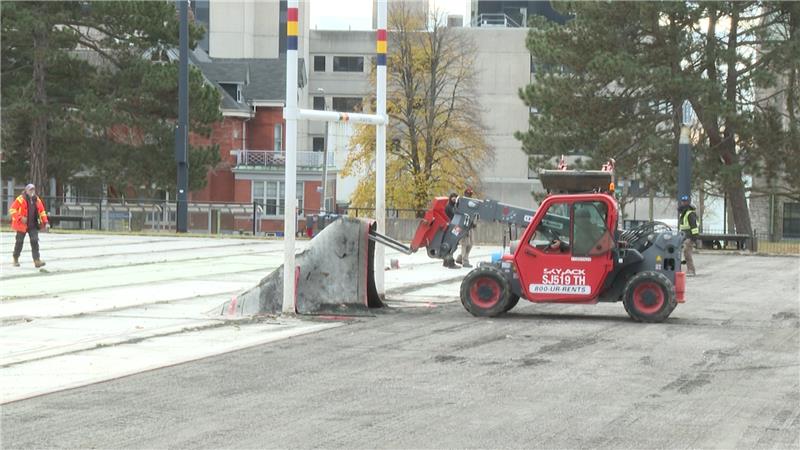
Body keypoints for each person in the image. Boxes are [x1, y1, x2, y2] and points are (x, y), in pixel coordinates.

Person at [9, 184, 49, 268]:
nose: (32, 191)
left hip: (33, 225)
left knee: (35, 241)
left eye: (33, 189)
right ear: (26, 191)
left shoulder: (37, 200)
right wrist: (20, 218)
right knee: (19, 242)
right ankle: (15, 258)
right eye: (30, 190)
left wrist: (45, 222)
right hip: (21, 225)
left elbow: (42, 212)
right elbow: (12, 210)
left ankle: (37, 261)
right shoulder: (20, 199)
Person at [678, 195, 699, 276]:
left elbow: (694, 226)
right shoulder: (684, 213)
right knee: (686, 253)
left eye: (685, 201)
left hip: (689, 237)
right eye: (683, 201)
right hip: (685, 237)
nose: (683, 203)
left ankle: (691, 270)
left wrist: (694, 238)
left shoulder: (689, 213)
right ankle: (689, 269)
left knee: (687, 253)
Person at [455, 187, 475, 268]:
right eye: (467, 193)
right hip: (463, 225)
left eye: (470, 194)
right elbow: (458, 213)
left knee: (471, 244)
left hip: (470, 225)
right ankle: (465, 261)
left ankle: (460, 258)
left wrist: (473, 222)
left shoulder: (471, 203)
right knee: (465, 244)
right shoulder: (461, 202)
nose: (469, 195)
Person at [443, 192, 459, 268]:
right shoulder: (448, 207)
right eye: (453, 197)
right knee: (452, 244)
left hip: (455, 226)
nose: (454, 198)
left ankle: (446, 261)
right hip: (451, 227)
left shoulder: (455, 206)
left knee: (453, 244)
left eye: (455, 197)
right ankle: (450, 262)